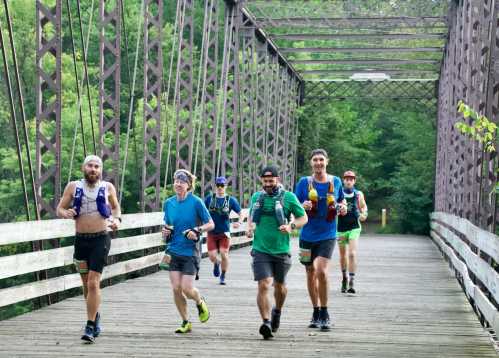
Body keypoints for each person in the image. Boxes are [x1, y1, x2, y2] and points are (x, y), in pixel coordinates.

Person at [56, 155, 121, 343]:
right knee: (86, 285)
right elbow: (60, 208)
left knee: (93, 283)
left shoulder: (107, 187)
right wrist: (65, 213)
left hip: (101, 239)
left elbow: (116, 208)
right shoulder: (73, 187)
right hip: (81, 240)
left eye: (97, 166)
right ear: (84, 168)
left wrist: (116, 220)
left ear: (101, 170)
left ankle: (90, 326)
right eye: (90, 166)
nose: (93, 169)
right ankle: (95, 315)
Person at [246, 165, 308, 339]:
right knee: (264, 283)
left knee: (280, 287)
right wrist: (249, 227)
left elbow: (304, 217)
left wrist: (291, 226)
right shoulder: (256, 197)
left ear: (277, 179)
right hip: (260, 249)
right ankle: (265, 322)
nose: (268, 184)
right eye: (265, 181)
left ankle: (277, 311)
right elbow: (251, 216)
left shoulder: (288, 197)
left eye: (271, 181)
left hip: (281, 249)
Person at [295, 149, 347, 331]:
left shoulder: (336, 181)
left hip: (328, 234)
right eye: (315, 160)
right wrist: (302, 205)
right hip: (307, 236)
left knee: (321, 271)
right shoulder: (304, 183)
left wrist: (342, 208)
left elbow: (342, 201)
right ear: (311, 163)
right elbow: (294, 207)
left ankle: (325, 312)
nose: (318, 163)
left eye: (321, 160)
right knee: (309, 272)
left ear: (327, 161)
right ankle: (315, 310)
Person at [162, 169, 215, 334]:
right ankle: (186, 321)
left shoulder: (196, 202)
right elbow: (168, 225)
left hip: (191, 251)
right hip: (173, 250)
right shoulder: (168, 203)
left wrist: (197, 230)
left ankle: (199, 301)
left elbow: (211, 224)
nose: (178, 184)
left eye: (182, 181)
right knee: (176, 288)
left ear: (189, 185)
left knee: (186, 288)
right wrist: (165, 233)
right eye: (176, 181)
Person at [204, 176, 242, 285]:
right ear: (215, 186)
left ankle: (223, 275)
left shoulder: (231, 200)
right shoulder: (209, 198)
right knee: (212, 256)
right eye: (218, 185)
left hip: (224, 232)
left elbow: (241, 213)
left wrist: (239, 222)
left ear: (226, 186)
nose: (220, 187)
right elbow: (201, 210)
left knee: (224, 254)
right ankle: (216, 263)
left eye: (222, 185)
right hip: (211, 231)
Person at [337, 170, 368, 294]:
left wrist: (364, 213)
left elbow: (364, 206)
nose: (349, 181)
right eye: (346, 179)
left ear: (354, 181)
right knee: (343, 255)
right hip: (340, 228)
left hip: (354, 227)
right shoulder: (339, 193)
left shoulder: (358, 194)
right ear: (343, 181)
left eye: (351, 179)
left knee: (352, 254)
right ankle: (344, 277)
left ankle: (352, 280)